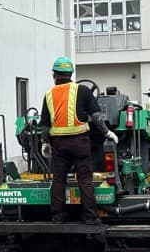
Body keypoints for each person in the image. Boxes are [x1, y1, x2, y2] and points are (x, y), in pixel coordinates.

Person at [39, 56, 118, 225]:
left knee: (58, 180)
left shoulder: (49, 95)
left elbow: (44, 124)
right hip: (79, 143)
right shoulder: (82, 90)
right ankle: (90, 216)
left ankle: (58, 217)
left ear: (55, 75)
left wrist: (45, 142)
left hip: (58, 145)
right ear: (71, 74)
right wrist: (107, 133)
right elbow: (96, 117)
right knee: (85, 180)